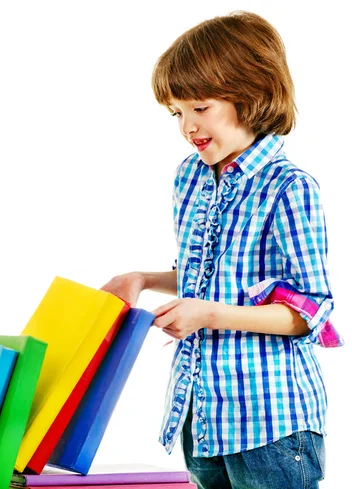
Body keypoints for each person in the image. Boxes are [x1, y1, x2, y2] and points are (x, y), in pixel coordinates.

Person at [101, 11, 344, 489]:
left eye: (200, 107)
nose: (187, 126)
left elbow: (308, 311)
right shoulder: (189, 177)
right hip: (202, 413)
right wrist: (144, 280)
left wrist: (209, 315)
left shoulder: (289, 187)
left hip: (271, 421)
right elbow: (212, 271)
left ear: (251, 97)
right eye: (177, 112)